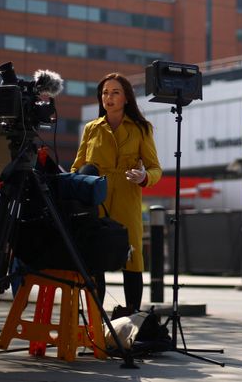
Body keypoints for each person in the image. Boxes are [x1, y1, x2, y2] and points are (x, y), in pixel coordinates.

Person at [71, 73, 162, 312]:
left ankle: (131, 318)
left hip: (127, 196)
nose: (108, 97)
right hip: (95, 197)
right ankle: (95, 324)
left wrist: (144, 177)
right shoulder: (91, 128)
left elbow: (155, 168)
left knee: (131, 257)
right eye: (104, 93)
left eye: (115, 92)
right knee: (95, 256)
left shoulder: (141, 129)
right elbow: (76, 166)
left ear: (126, 98)